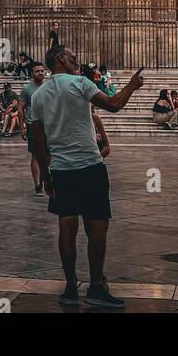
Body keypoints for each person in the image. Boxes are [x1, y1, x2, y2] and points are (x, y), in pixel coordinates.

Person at [29, 46, 144, 309]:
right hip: (90, 167)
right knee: (97, 227)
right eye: (71, 57)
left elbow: (37, 140)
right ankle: (95, 287)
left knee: (66, 227)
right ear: (59, 59)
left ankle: (70, 287)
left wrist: (46, 176)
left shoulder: (39, 95)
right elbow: (114, 105)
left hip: (60, 170)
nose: (75, 60)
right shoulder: (80, 83)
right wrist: (132, 86)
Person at [19, 61, 50, 192]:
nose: (40, 73)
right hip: (33, 124)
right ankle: (37, 183)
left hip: (48, 124)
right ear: (32, 73)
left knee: (49, 154)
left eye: (42, 71)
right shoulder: (27, 89)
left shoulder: (49, 86)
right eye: (37, 71)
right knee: (35, 155)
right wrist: (22, 126)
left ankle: (44, 175)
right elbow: (20, 109)